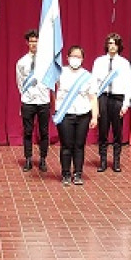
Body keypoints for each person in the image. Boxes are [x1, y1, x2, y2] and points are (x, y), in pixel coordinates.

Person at [54, 45, 98, 186]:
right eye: (73, 56)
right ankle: (66, 173)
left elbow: (93, 97)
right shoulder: (59, 73)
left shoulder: (88, 76)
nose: (76, 59)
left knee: (79, 146)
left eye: (78, 57)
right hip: (65, 114)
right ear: (67, 57)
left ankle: (78, 174)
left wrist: (95, 116)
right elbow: (51, 89)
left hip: (83, 115)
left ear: (83, 59)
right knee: (66, 145)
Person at [92, 33, 131, 172]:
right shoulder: (99, 61)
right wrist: (94, 103)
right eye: (110, 43)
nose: (112, 46)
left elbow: (128, 84)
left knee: (117, 131)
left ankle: (116, 161)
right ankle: (103, 160)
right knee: (103, 131)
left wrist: (126, 104)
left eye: (114, 43)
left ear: (119, 46)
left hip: (117, 98)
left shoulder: (124, 63)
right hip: (103, 97)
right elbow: (94, 82)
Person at [15, 30, 51, 172]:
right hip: (28, 101)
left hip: (43, 100)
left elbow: (51, 80)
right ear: (27, 43)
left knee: (44, 132)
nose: (33, 44)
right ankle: (28, 159)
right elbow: (20, 82)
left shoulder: (46, 61)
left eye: (36, 41)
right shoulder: (22, 62)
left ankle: (43, 159)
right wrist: (25, 97)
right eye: (31, 41)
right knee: (28, 131)